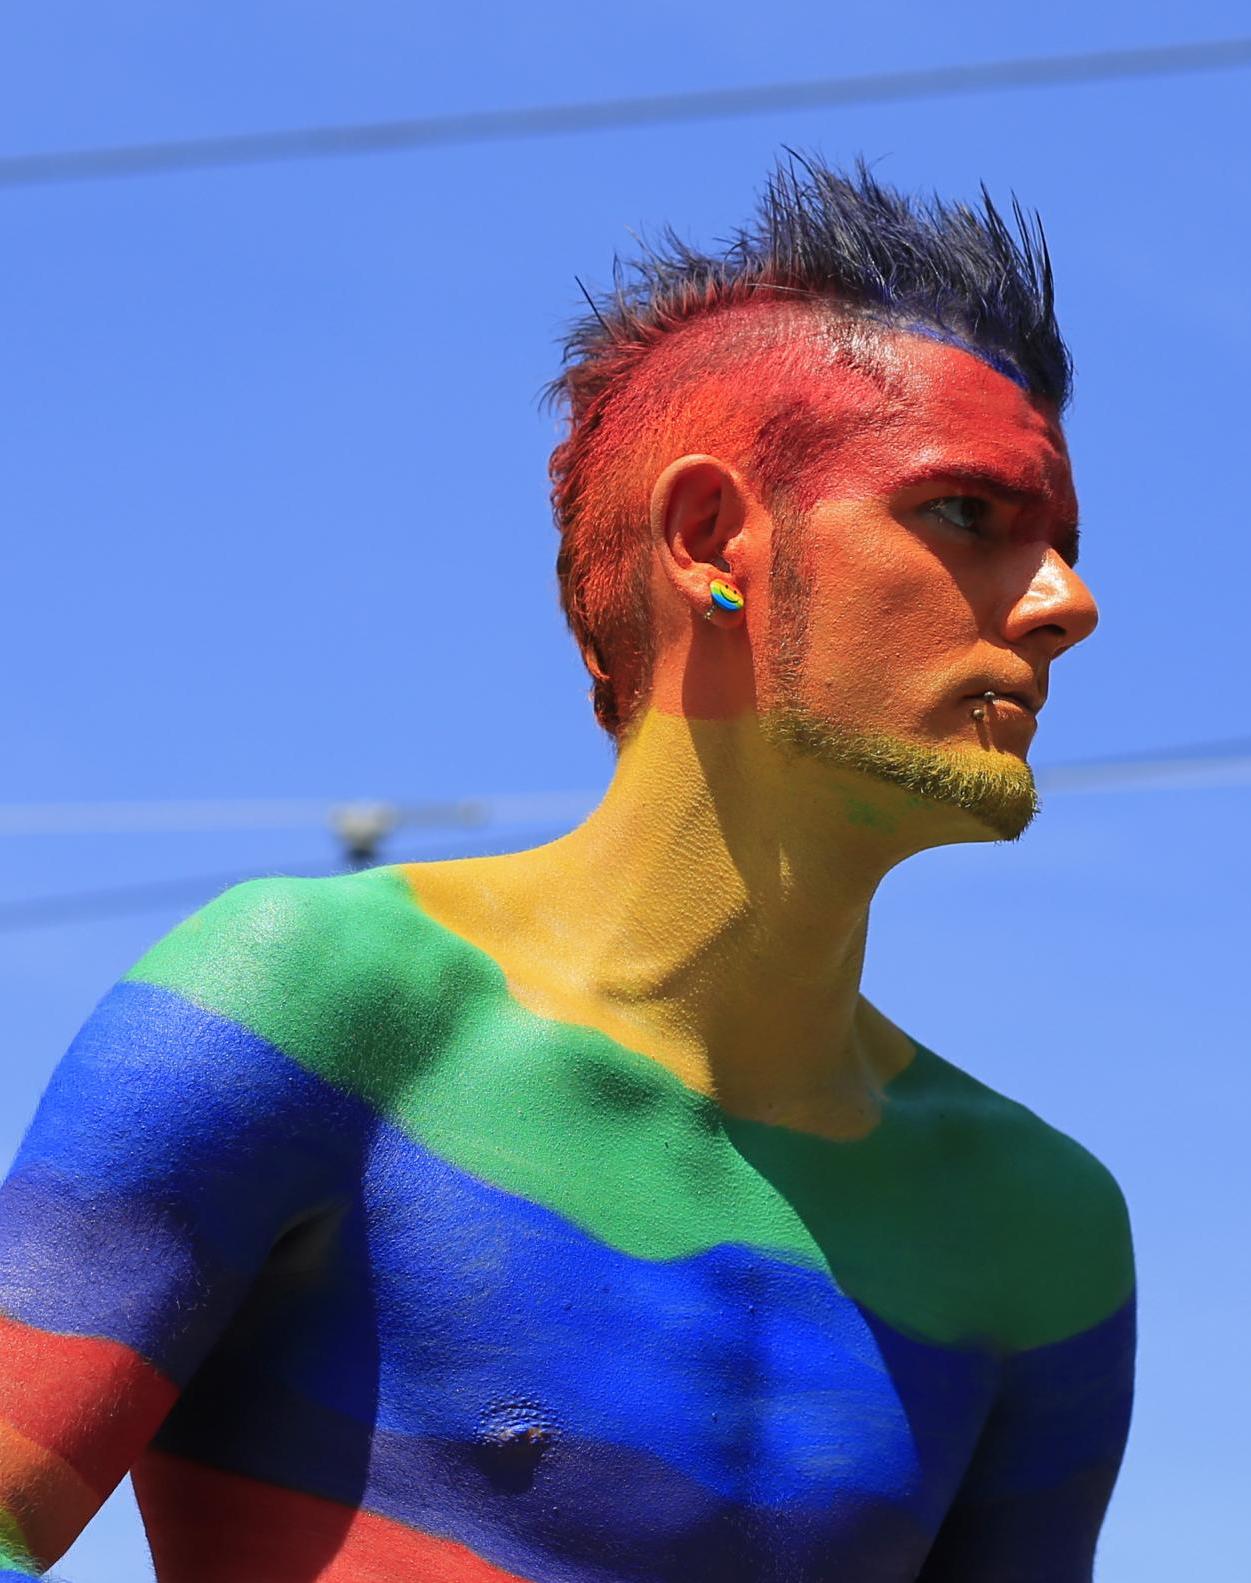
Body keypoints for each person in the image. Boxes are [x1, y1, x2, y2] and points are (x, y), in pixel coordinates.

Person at [0, 157, 1135, 1583]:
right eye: (968, 515)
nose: (1067, 607)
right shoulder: (327, 1005)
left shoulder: (1036, 1230)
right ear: (715, 542)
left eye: (1065, 547)